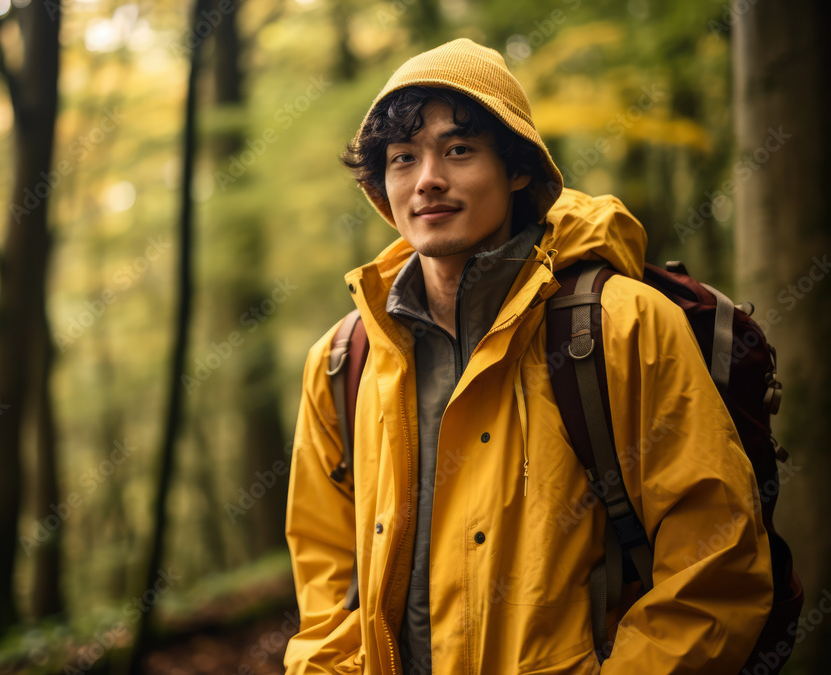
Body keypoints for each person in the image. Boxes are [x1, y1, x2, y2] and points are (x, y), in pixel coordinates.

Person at [284, 38, 773, 674]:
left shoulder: (621, 325)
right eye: (403, 158)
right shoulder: (344, 360)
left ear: (517, 169)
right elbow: (326, 590)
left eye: (458, 150)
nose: (428, 178)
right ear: (384, 186)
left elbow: (715, 566)